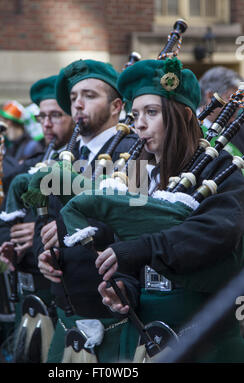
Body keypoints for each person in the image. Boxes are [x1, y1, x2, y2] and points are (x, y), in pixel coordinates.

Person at [92, 57, 244, 362]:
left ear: (184, 115)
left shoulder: (220, 169)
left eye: (151, 112)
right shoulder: (136, 177)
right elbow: (129, 251)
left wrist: (143, 247)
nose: (140, 125)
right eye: (135, 114)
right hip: (146, 337)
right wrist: (125, 287)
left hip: (206, 336)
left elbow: (218, 232)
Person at [37, 59, 138, 363]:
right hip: (67, 311)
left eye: (90, 96)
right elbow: (49, 222)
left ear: (117, 106)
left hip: (111, 312)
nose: (78, 104)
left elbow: (135, 221)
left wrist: (70, 228)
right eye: (74, 97)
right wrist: (44, 257)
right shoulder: (66, 156)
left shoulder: (135, 151)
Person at [0, 75, 74, 362]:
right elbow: (2, 222)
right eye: (42, 116)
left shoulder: (84, 167)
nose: (47, 124)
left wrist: (38, 235)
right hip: (26, 289)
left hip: (58, 290)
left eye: (56, 115)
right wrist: (10, 244)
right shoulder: (28, 165)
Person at [198, 66, 244, 155]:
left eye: (240, 100)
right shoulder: (188, 129)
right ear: (211, 97)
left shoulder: (240, 130)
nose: (239, 106)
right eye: (233, 99)